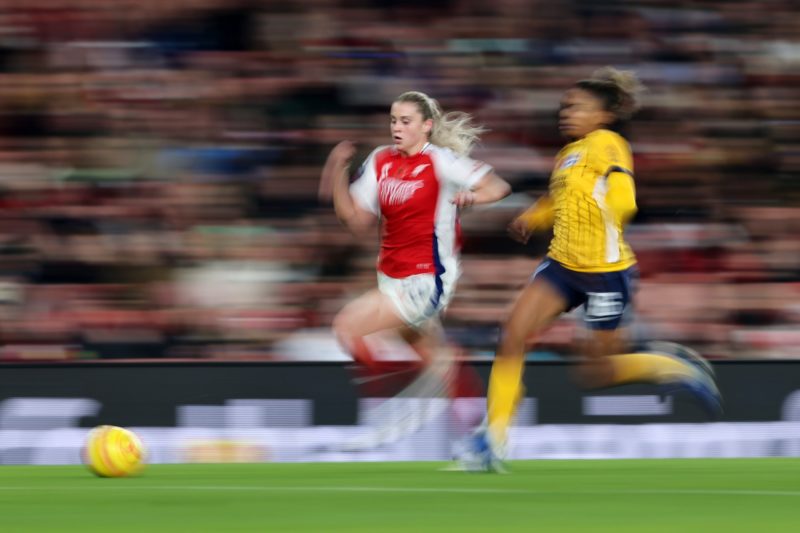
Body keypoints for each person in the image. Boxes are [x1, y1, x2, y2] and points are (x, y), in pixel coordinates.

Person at [471, 68, 721, 471]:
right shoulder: (567, 154)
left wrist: (622, 205)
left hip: (605, 272)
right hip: (562, 266)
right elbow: (561, 199)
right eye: (565, 105)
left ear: (603, 115)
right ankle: (494, 438)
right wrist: (532, 217)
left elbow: (620, 184)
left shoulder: (608, 143)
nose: (566, 112)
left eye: (577, 106)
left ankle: (673, 367)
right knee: (513, 334)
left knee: (596, 374)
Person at [319, 91, 511, 448]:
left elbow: (498, 187)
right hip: (391, 278)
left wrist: (473, 197)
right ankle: (481, 438)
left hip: (428, 279)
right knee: (437, 359)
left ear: (426, 126)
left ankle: (390, 412)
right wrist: (336, 174)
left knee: (348, 327)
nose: (396, 127)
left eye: (405, 121)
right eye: (393, 120)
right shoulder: (381, 161)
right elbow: (356, 220)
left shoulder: (440, 161)